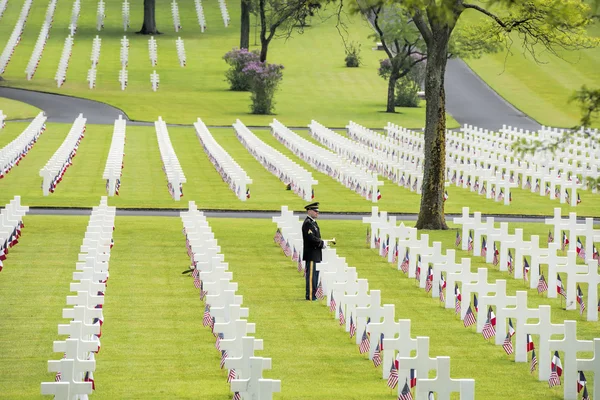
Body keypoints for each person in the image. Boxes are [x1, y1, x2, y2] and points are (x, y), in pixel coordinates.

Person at [302, 202, 326, 301]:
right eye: (315, 211)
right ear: (309, 211)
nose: (317, 213)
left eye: (317, 211)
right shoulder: (308, 223)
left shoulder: (313, 223)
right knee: (311, 276)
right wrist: (321, 243)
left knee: (315, 276)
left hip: (315, 253)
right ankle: (311, 296)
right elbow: (311, 238)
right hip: (311, 254)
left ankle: (314, 294)